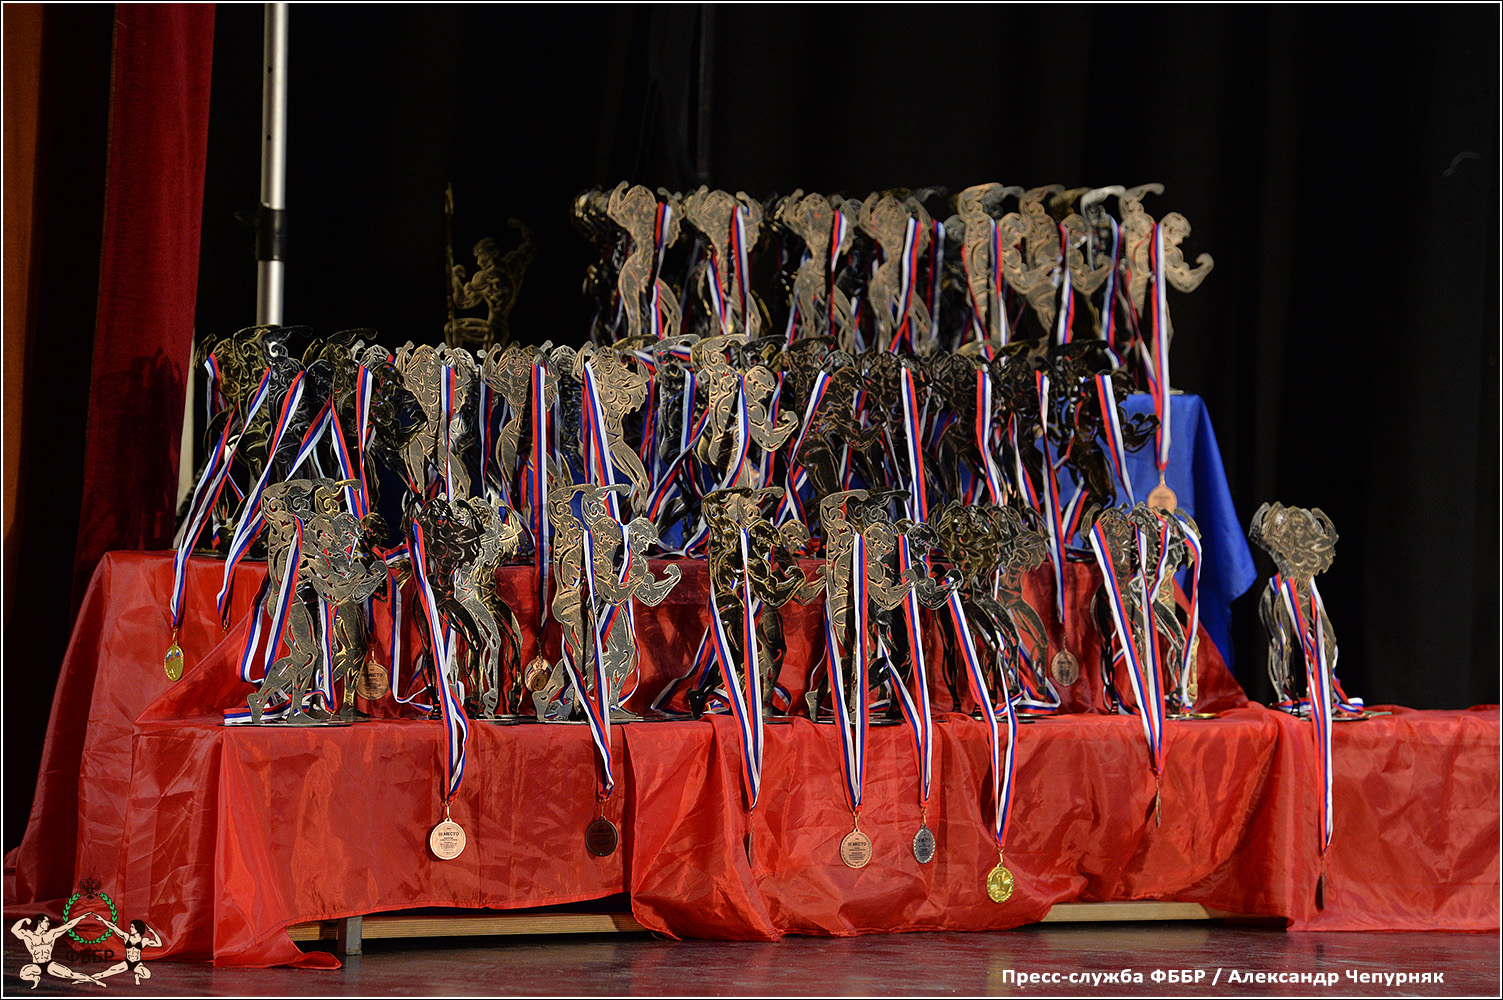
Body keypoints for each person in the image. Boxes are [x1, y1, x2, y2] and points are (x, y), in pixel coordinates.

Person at [10, 913, 107, 987]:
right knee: (23, 974)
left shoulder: (51, 934)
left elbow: (68, 926)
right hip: (36, 965)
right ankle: (35, 978)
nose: (48, 924)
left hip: (49, 964)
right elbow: (14, 930)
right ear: (39, 923)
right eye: (46, 922)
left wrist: (81, 918)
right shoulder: (29, 935)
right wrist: (24, 919)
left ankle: (96, 981)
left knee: (71, 975)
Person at [95, 917, 162, 985]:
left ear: (137, 928)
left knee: (147, 975)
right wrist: (102, 920)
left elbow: (159, 944)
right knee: (105, 973)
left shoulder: (144, 940)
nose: (130, 929)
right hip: (127, 963)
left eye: (132, 927)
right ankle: (90, 979)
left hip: (137, 964)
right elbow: (113, 927)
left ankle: (137, 976)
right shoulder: (127, 937)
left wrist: (153, 932)